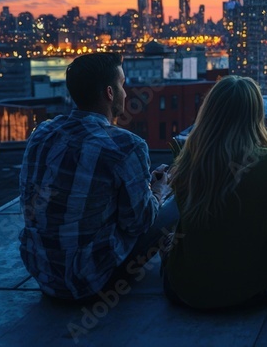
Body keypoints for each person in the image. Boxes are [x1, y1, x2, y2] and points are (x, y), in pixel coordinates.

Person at [19, 52, 175, 301]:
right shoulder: (126, 145)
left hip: (44, 274)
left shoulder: (42, 133)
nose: (126, 93)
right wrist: (160, 190)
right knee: (173, 204)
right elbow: (140, 223)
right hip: (90, 283)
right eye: (122, 85)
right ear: (110, 93)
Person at [162, 76, 267, 309]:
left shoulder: (188, 162)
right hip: (258, 291)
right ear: (256, 115)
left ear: (209, 113)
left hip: (186, 292)